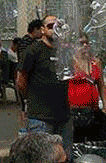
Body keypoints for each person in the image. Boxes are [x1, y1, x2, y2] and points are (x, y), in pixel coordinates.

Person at [18, 14, 72, 150]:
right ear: (42, 30)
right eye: (50, 26)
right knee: (42, 157)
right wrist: (28, 99)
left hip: (63, 115)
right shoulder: (33, 51)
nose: (54, 29)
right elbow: (21, 79)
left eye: (57, 26)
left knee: (64, 157)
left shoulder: (63, 51)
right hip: (40, 117)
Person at [69, 37, 106, 143]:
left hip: (92, 109)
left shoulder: (95, 62)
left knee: (97, 141)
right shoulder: (69, 62)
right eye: (81, 43)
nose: (85, 45)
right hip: (74, 110)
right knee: (77, 142)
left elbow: (101, 85)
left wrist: (105, 105)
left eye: (87, 43)